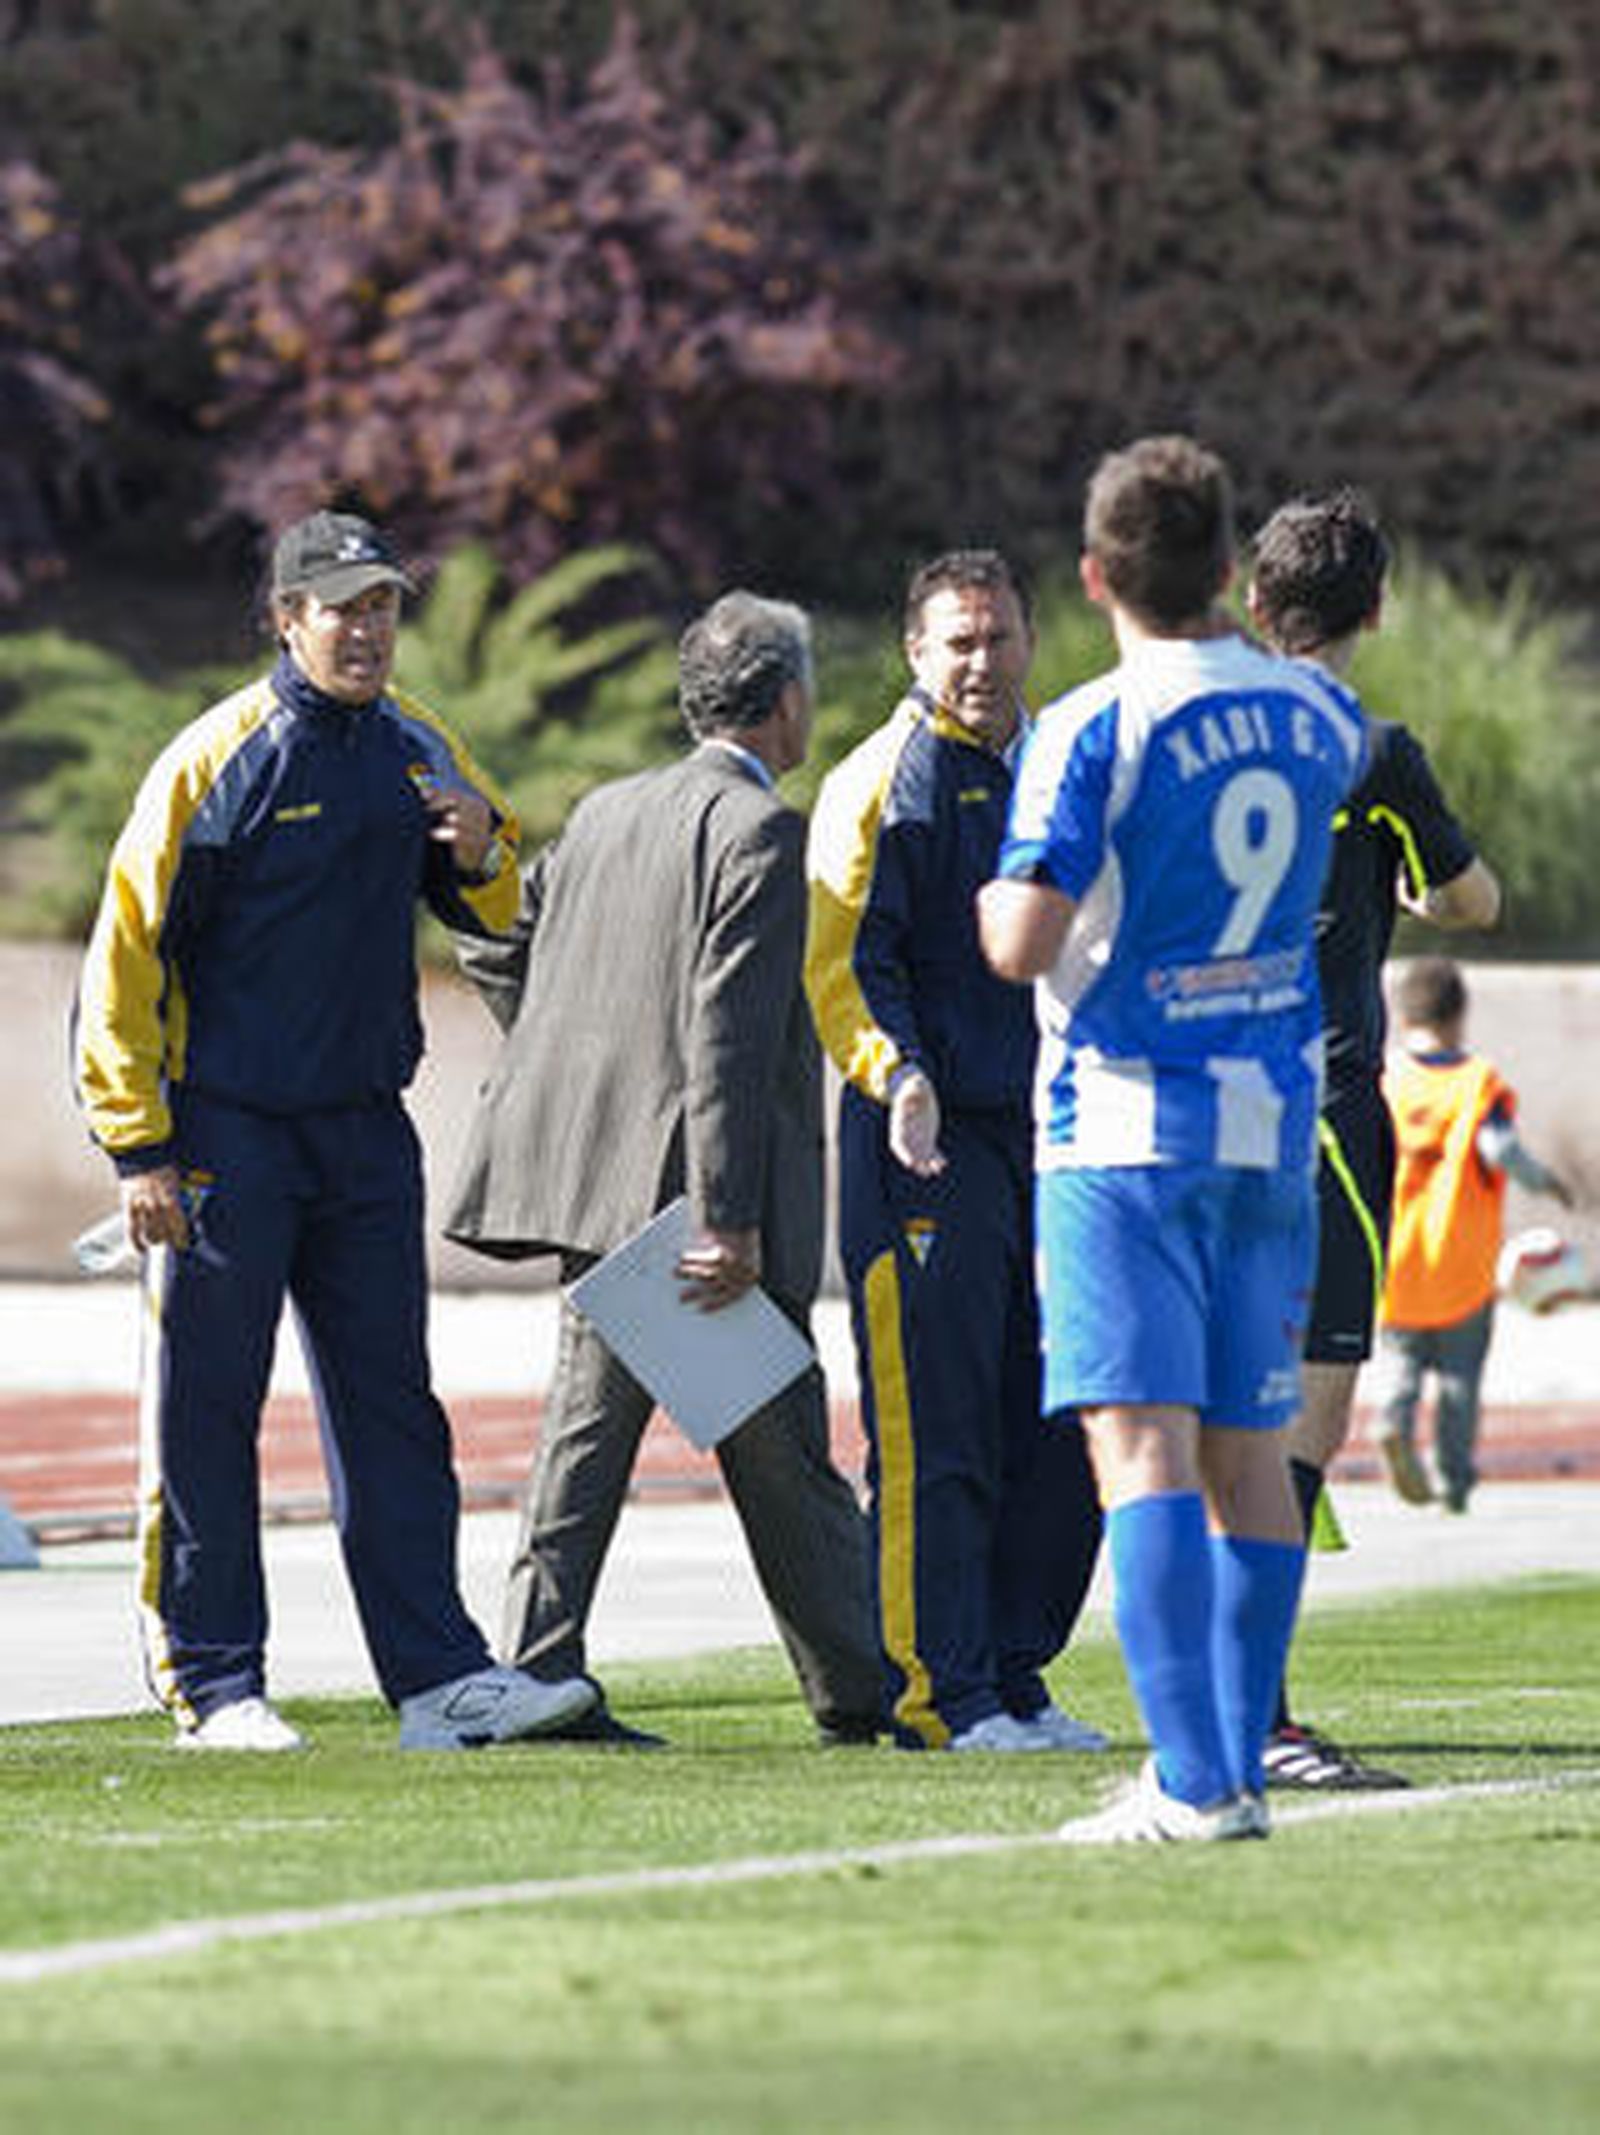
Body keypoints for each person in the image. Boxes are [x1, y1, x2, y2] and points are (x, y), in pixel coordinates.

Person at [72, 508, 597, 1752]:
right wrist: (138, 1146)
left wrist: (481, 849)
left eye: (382, 607)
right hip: (222, 1134)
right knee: (207, 1404)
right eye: (342, 607)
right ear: (286, 617)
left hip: (365, 1132)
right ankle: (213, 1681)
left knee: (393, 1408)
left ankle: (436, 1679)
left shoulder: (416, 744)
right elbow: (122, 953)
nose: (367, 629)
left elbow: (497, 889)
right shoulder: (217, 760)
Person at [979, 434, 1367, 1842]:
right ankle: (1241, 1766)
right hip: (1274, 1125)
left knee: (1138, 1446)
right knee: (1250, 1449)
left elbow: (1022, 941)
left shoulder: (1088, 727)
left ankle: (1195, 1776)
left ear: (1093, 576)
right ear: (1228, 568)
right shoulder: (1322, 718)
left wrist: (998, 907)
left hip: (1125, 1125)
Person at [443, 590, 883, 1748]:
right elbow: (727, 1037)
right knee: (767, 1453)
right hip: (695, 1206)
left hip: (606, 1188)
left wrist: (576, 1080)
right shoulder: (757, 829)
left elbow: (512, 959)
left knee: (679, 1445)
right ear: (787, 702)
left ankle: (541, 1666)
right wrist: (729, 1219)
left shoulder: (602, 811)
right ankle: (866, 1690)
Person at [804, 550, 1105, 1753]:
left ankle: (1016, 1673)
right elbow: (842, 965)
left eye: (997, 636)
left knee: (1062, 1418)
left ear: (1029, 638)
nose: (980, 660)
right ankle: (944, 1692)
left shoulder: (1065, 763)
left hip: (1064, 1141)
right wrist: (902, 1077)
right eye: (956, 642)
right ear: (915, 654)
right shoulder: (881, 781)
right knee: (940, 1424)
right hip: (924, 1143)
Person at [1245, 489, 1501, 1790]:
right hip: (1332, 1110)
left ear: (1252, 604)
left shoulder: (1197, 736)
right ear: (1379, 610)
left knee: (1203, 1409)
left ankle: (1213, 1705)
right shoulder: (1374, 749)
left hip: (1193, 1102)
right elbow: (1477, 895)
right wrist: (1419, 883)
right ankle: (1262, 1713)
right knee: (1300, 1423)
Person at [1376, 955, 1572, 1514]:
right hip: (1462, 1260)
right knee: (1460, 1380)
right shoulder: (1476, 1083)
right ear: (1459, 1013)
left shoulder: (1388, 1078)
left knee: (1401, 1361)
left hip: (1397, 1258)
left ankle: (1393, 1417)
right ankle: (1453, 1481)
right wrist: (1549, 1183)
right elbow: (1499, 1150)